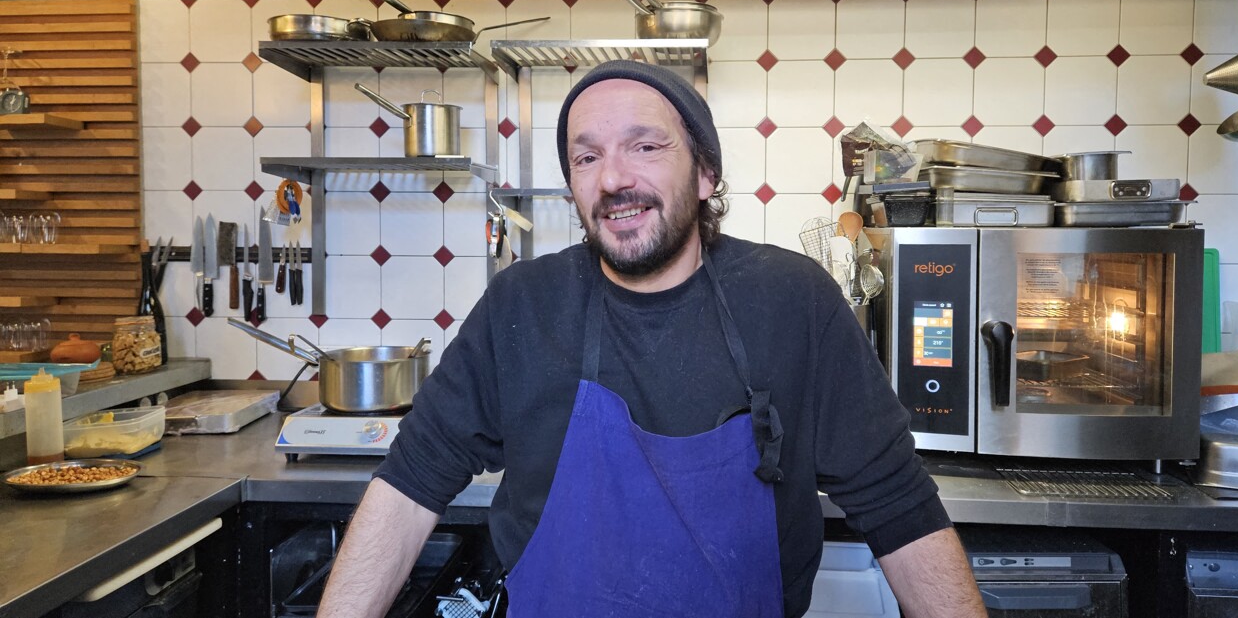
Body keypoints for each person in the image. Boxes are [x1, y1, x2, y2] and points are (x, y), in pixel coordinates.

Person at [316, 60, 987, 618]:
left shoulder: (793, 302)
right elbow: (407, 489)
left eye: (645, 145)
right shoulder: (522, 306)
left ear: (704, 174)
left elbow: (901, 510)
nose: (613, 178)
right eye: (588, 156)